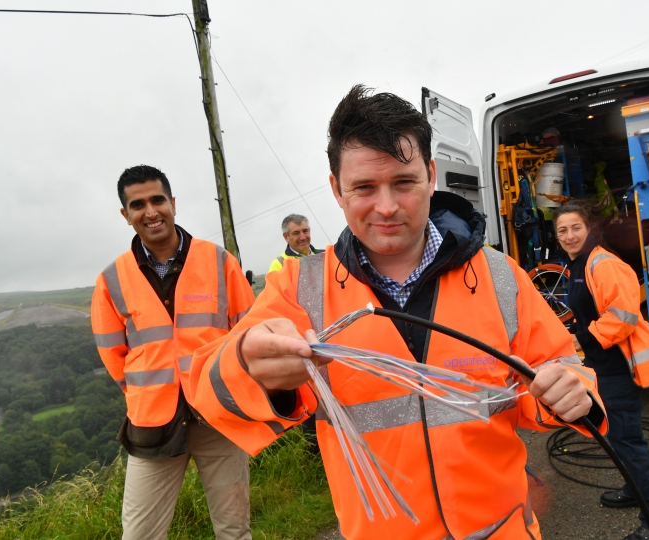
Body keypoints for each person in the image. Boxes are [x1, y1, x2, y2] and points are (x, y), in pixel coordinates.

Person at [187, 86, 607, 540]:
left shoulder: (500, 276)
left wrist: (574, 395)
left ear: (429, 175)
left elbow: (562, 369)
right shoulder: (298, 289)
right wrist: (249, 363)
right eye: (364, 187)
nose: (386, 207)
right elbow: (207, 387)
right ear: (336, 189)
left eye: (403, 183)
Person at [91, 165, 255, 540]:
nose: (150, 211)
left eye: (157, 200)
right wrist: (145, 392)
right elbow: (112, 354)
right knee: (140, 535)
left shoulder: (218, 261)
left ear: (173, 203)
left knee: (234, 530)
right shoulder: (111, 279)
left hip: (218, 416)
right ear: (125, 214)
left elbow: (248, 333)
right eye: (138, 204)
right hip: (152, 425)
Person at [553, 200, 649, 540]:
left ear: (589, 228)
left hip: (618, 371)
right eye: (562, 230)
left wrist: (580, 341)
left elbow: (622, 317)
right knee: (619, 441)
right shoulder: (578, 264)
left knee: (629, 446)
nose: (569, 235)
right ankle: (630, 489)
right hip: (601, 368)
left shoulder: (603, 264)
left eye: (575, 227)